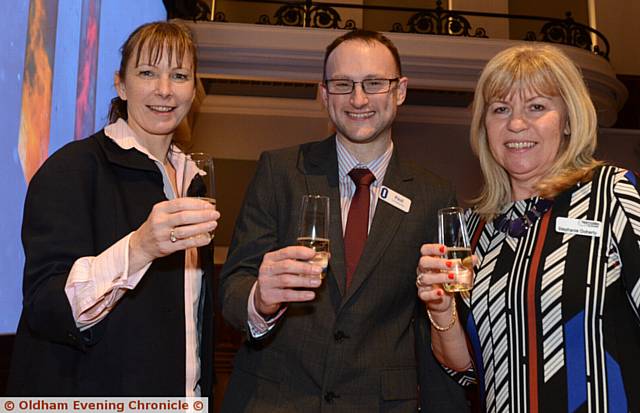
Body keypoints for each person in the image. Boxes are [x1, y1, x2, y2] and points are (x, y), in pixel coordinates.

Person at [219, 30, 468, 412]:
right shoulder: (280, 171)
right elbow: (234, 287)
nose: (358, 99)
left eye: (374, 83)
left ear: (400, 91)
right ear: (323, 94)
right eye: (342, 84)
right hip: (275, 400)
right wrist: (259, 300)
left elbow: (431, 319)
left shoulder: (434, 195)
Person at [416, 43, 640, 412]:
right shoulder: (474, 230)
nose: (516, 123)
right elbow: (469, 369)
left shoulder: (611, 195)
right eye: (501, 109)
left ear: (568, 120)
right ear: (484, 126)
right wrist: (440, 309)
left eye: (537, 107)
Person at [7, 21, 220, 397]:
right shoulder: (73, 168)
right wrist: (139, 248)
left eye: (180, 75)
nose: (165, 90)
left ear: (194, 89)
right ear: (121, 84)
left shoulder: (194, 179)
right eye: (148, 73)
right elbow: (46, 307)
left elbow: (191, 318)